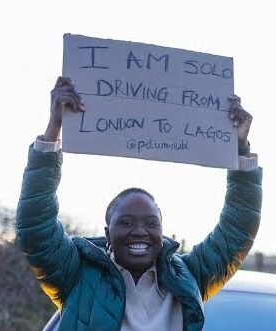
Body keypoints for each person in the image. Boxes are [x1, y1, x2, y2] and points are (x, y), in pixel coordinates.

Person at [16, 76, 262, 331]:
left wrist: (240, 147)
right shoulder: (78, 276)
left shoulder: (189, 277)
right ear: (107, 234)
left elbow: (237, 231)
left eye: (151, 223)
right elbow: (36, 228)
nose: (140, 231)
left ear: (161, 232)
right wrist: (54, 128)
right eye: (126, 222)